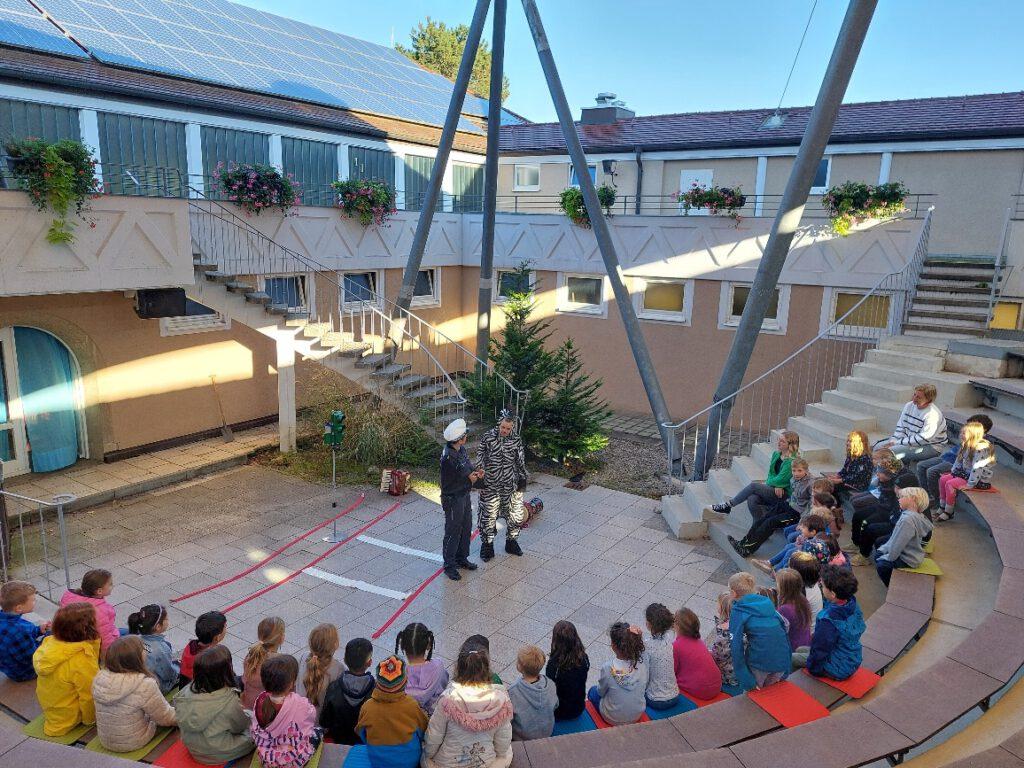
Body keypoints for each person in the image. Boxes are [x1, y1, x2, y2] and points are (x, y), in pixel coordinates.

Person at [421, 643, 513, 768]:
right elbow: (503, 742)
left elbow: (434, 736)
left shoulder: (447, 700)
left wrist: (428, 755)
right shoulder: (501, 701)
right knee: (507, 753)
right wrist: (501, 755)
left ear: (458, 669)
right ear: (487, 670)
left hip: (447, 763)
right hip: (485, 761)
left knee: (425, 759)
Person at [92, 635, 177, 753]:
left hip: (106, 740)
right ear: (136, 658)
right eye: (143, 649)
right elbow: (166, 718)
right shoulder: (144, 684)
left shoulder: (99, 678)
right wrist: (184, 715)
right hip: (134, 741)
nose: (146, 652)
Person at [174, 645, 254, 765]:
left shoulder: (186, 691)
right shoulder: (229, 700)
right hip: (216, 753)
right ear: (225, 671)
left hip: (192, 746)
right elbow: (240, 726)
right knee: (254, 733)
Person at [33, 602, 100, 736]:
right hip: (69, 715)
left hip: (52, 706)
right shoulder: (81, 659)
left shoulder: (49, 642)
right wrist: (90, 720)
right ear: (86, 629)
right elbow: (88, 694)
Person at [728, 456, 811, 557]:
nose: (796, 473)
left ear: (806, 471)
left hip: (796, 514)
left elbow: (811, 505)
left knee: (771, 523)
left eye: (800, 470)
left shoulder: (810, 484)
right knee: (764, 518)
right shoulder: (793, 479)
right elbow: (793, 494)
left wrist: (803, 521)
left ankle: (748, 549)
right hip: (788, 505)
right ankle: (742, 543)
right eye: (794, 470)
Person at [793, 565, 865, 680]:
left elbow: (821, 649)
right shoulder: (852, 604)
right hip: (852, 656)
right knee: (800, 649)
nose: (821, 587)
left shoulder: (828, 621)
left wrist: (813, 669)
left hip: (838, 667)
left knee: (792, 658)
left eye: (823, 586)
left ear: (833, 594)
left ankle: (797, 685)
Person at [356, 656, 428, 768]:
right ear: (405, 682)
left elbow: (361, 733)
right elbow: (423, 730)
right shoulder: (412, 705)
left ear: (377, 683)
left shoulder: (367, 707)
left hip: (378, 761)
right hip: (409, 762)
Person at [251, 654, 321, 768]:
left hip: (268, 759)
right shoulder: (301, 704)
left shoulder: (260, 699)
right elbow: (311, 717)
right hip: (292, 760)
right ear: (291, 683)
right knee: (317, 732)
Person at [476, 410, 529, 560]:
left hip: (510, 486)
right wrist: (480, 481)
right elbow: (480, 457)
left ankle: (511, 542)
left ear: (512, 428)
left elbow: (520, 462)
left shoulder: (516, 440)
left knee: (516, 516)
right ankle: (487, 546)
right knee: (487, 517)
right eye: (503, 427)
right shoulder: (488, 437)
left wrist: (522, 483)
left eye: (508, 428)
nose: (505, 431)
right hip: (491, 485)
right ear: (499, 424)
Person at [710, 431, 799, 518]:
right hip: (775, 488)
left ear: (790, 445)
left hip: (784, 494)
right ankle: (757, 527)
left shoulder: (792, 461)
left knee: (754, 486)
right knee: (752, 498)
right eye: (779, 439)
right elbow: (771, 473)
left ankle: (728, 505)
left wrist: (773, 484)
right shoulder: (776, 454)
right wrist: (775, 485)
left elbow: (781, 479)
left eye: (782, 441)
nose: (778, 443)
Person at [728, 572, 791, 691]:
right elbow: (783, 629)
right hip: (781, 662)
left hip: (759, 664)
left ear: (733, 593)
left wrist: (746, 679)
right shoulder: (767, 603)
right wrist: (787, 665)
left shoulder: (739, 610)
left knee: (753, 698)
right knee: (773, 694)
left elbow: (736, 646)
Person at [917, 414, 993, 510]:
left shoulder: (981, 444)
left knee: (932, 471)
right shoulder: (967, 437)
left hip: (955, 464)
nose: (965, 429)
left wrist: (969, 481)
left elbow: (975, 466)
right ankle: (927, 496)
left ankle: (937, 500)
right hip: (948, 457)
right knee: (921, 465)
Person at [440, 418, 484, 581]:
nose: (466, 436)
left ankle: (461, 558)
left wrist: (476, 472)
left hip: (463, 496)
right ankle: (449, 565)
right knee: (453, 531)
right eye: (465, 434)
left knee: (466, 527)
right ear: (459, 438)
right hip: (452, 498)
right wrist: (469, 481)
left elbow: (467, 467)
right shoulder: (448, 458)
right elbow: (450, 483)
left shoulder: (461, 450)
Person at [849, 472, 919, 567]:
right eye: (896, 487)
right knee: (858, 515)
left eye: (899, 488)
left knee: (869, 526)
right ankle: (856, 543)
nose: (896, 490)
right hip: (884, 509)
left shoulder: (912, 501)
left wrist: (891, 517)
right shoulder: (900, 493)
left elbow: (898, 516)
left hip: (892, 520)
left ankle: (864, 555)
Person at [587, 622, 648, 726]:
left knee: (592, 691)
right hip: (637, 715)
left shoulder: (608, 668)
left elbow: (601, 692)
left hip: (612, 718)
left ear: (614, 646)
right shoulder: (642, 665)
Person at [936, 421, 996, 522]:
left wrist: (970, 484)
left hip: (978, 479)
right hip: (965, 474)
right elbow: (958, 460)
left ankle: (949, 511)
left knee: (950, 484)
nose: (961, 435)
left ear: (973, 434)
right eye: (961, 432)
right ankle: (942, 506)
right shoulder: (966, 445)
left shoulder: (980, 449)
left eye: (964, 433)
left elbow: (977, 468)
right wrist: (953, 472)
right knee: (943, 479)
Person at [320, 637, 374, 745]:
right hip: (365, 742)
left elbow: (324, 721)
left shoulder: (334, 687)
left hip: (338, 739)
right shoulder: (376, 691)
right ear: (369, 663)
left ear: (344, 660)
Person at [876, 487, 934, 586]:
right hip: (910, 554)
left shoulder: (907, 520)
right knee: (879, 553)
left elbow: (898, 544)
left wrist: (888, 556)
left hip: (908, 559)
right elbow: (894, 538)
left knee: (881, 565)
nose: (899, 499)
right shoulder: (913, 515)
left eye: (902, 497)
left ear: (913, 499)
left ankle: (893, 586)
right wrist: (884, 549)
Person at [879, 384, 947, 463]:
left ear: (929, 399)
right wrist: (894, 440)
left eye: (919, 397)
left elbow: (923, 438)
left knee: (887, 453)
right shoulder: (909, 406)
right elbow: (901, 427)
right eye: (914, 394)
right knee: (878, 447)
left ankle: (891, 474)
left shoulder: (932, 415)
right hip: (910, 441)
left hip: (931, 446)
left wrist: (897, 443)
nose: (914, 398)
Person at [59, 568, 118, 656]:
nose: (112, 586)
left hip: (73, 639)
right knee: (130, 634)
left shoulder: (69, 597)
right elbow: (105, 639)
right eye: (110, 584)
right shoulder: (100, 611)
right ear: (99, 591)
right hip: (91, 647)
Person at [0, 580, 50, 682]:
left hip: (9, 667)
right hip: (25, 672)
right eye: (33, 600)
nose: (35, 602)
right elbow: (35, 657)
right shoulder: (19, 630)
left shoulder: (7, 618)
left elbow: (25, 634)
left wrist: (39, 630)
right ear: (19, 608)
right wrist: (49, 635)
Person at [397, 622, 449, 715]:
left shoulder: (397, 675)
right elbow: (444, 684)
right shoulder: (438, 667)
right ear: (429, 645)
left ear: (402, 645)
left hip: (406, 721)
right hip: (433, 720)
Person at [507, 645, 558, 741]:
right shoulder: (550, 684)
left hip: (521, 738)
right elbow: (555, 705)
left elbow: (508, 719)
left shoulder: (513, 691)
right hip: (547, 732)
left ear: (519, 666)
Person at [127, 604, 178, 695]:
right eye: (166, 619)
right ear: (158, 627)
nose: (168, 620)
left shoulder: (134, 639)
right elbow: (168, 674)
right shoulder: (161, 649)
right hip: (153, 689)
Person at [672, 607, 721, 701]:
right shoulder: (699, 641)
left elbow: (671, 671)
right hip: (717, 685)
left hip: (703, 690)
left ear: (677, 626)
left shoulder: (676, 646)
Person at [545, 620, 589, 721]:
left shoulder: (554, 666)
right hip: (578, 708)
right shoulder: (584, 658)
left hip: (559, 712)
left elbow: (550, 689)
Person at [640, 603, 679, 710]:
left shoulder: (647, 646)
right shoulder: (670, 637)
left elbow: (644, 676)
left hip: (656, 700)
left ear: (648, 624)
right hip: (675, 695)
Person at [242, 616, 285, 710]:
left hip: (247, 705)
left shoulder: (251, 655)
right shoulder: (280, 663)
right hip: (264, 712)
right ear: (281, 638)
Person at [298, 624, 341, 715]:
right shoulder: (339, 669)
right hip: (321, 723)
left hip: (299, 717)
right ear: (335, 645)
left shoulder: (303, 657)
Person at [179, 611, 228, 687]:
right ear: (217, 637)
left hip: (185, 686)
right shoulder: (214, 658)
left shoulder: (190, 646)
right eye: (225, 626)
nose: (226, 628)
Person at [827, 430, 874, 500]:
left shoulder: (865, 458)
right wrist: (838, 475)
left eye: (851, 441)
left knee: (831, 487)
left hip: (858, 485)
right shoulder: (851, 455)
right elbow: (845, 469)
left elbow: (857, 477)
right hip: (847, 480)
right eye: (848, 441)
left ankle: (834, 507)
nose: (847, 443)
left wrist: (840, 480)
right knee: (825, 482)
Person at [774, 569, 812, 651]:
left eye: (777, 583)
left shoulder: (785, 609)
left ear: (784, 588)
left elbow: (777, 633)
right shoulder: (803, 600)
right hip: (804, 644)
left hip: (793, 649)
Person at [708, 593, 737, 689]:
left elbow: (717, 656)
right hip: (741, 668)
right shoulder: (742, 624)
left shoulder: (723, 636)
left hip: (729, 675)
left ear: (722, 608)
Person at [789, 552, 824, 629]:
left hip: (807, 632)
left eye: (790, 569)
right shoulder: (812, 582)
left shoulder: (802, 594)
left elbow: (789, 616)